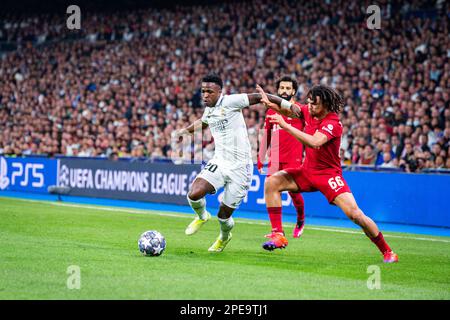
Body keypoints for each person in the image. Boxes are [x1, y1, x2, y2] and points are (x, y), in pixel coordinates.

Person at [256, 84, 399, 263]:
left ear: (325, 105)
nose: (309, 107)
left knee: (356, 215)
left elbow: (315, 142)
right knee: (272, 182)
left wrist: (286, 126)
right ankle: (278, 234)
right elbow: (289, 108)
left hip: (328, 176)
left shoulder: (333, 123)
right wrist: (269, 102)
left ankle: (388, 251)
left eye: (314, 104)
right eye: (308, 103)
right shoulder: (309, 111)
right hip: (307, 171)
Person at [175, 73, 291, 252]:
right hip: (220, 162)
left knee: (223, 215)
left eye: (210, 92)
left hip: (240, 168)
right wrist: (185, 132)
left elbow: (260, 97)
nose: (205, 95)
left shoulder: (231, 101)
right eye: (203, 91)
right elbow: (204, 122)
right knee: (194, 193)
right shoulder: (209, 109)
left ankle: (224, 236)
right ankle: (203, 215)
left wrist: (288, 105)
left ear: (220, 92)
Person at [257, 75, 306, 246]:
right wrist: (260, 157)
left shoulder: (299, 110)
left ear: (293, 91)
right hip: (275, 159)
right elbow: (267, 134)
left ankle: (300, 219)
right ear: (278, 90)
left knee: (293, 192)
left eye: (288, 88)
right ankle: (277, 231)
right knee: (270, 189)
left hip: (294, 157)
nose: (284, 91)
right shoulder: (271, 111)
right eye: (282, 88)